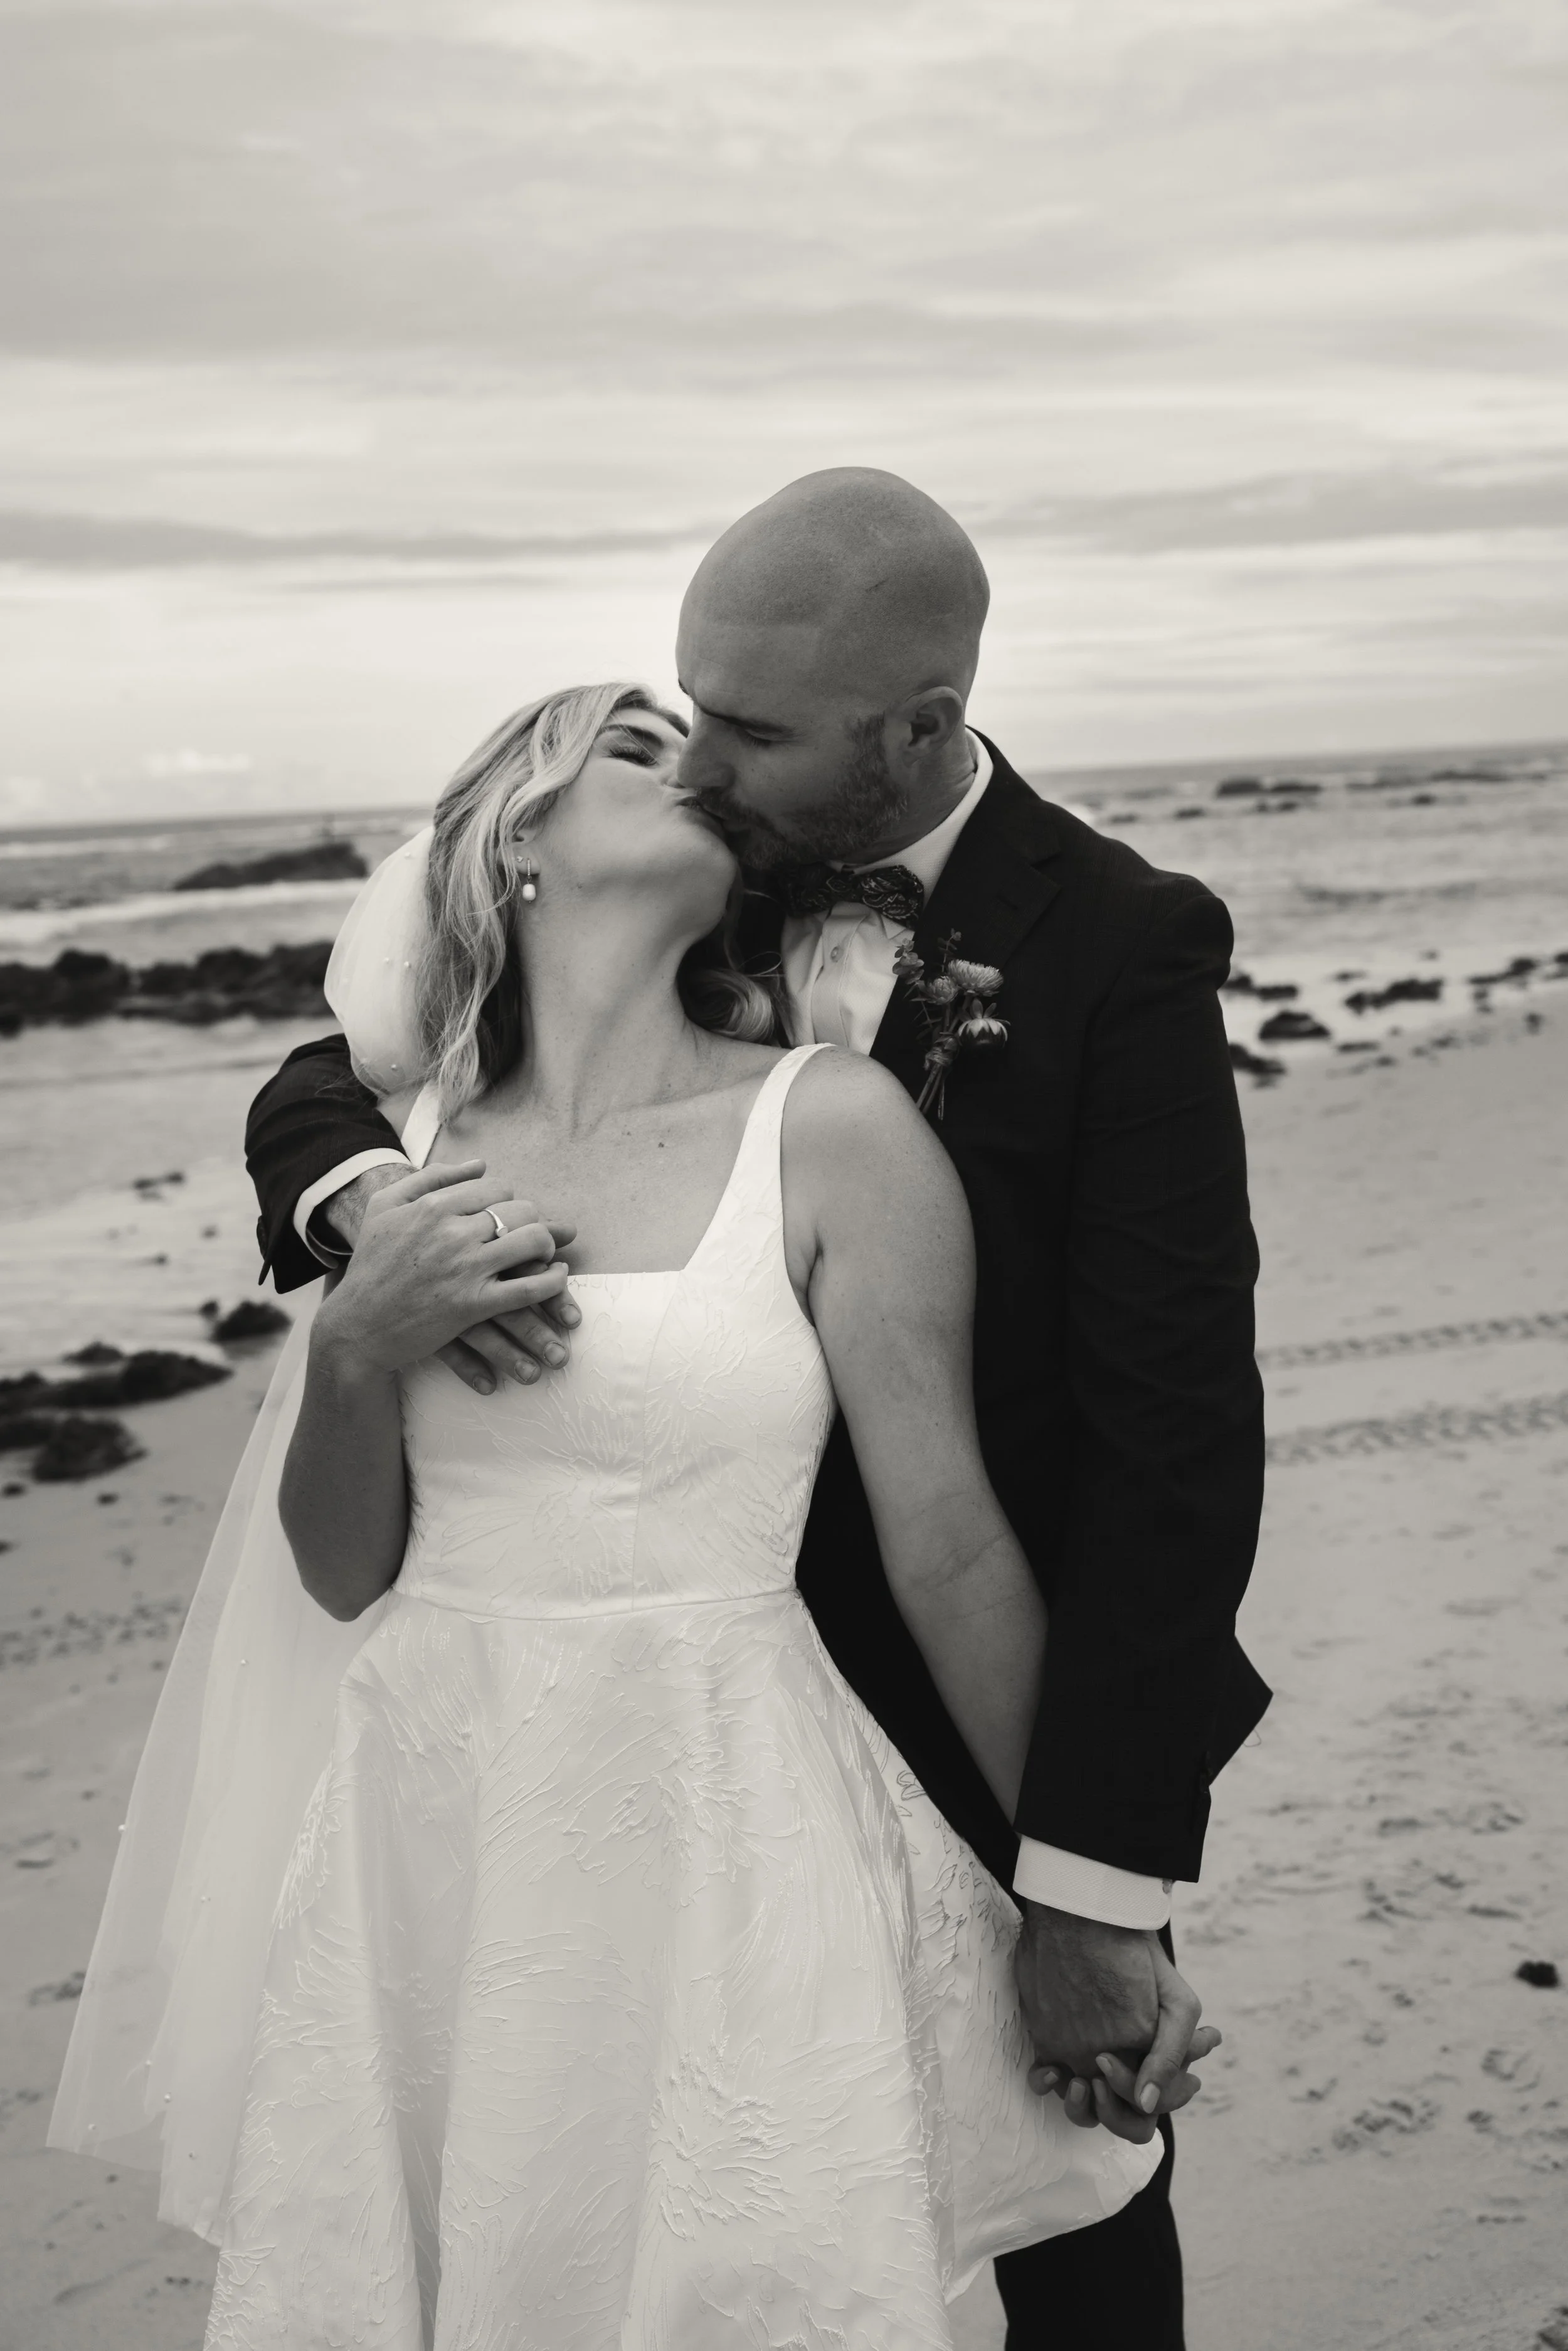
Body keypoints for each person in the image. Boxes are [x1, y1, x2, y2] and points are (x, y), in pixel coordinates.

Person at [241, 470, 1269, 2347]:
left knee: (1072, 2217)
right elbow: (345, 1065)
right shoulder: (717, 847)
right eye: (684, 710)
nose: (707, 756)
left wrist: (1094, 1881)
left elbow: (1170, 1448)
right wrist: (369, 1224)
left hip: (968, 1710)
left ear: (915, 732)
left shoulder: (1116, 945)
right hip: (539, 1743)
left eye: (752, 726)